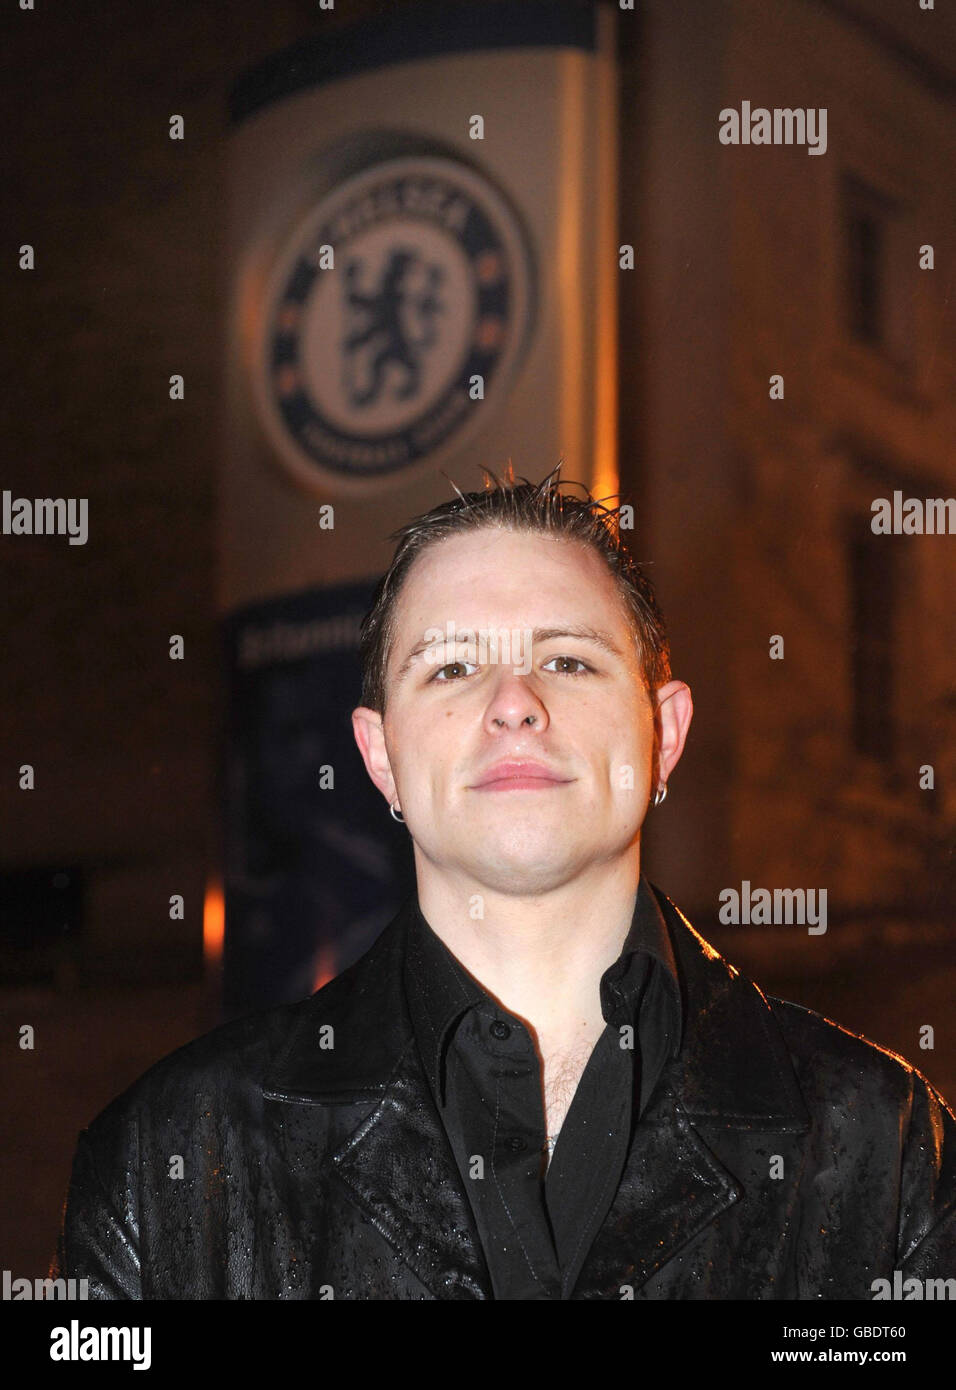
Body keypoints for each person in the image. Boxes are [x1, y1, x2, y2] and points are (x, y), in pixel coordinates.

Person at [52, 467, 956, 1299]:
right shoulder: (162, 1159)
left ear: (664, 735)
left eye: (569, 660)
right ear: (380, 758)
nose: (514, 701)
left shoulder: (890, 1149)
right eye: (451, 667)